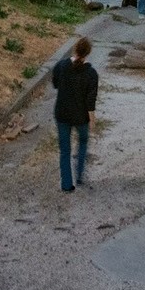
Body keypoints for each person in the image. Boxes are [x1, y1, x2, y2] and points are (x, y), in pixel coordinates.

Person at [52, 36, 99, 192]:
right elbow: (90, 101)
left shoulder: (61, 66)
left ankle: (66, 184)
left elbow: (55, 84)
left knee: (65, 151)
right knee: (83, 142)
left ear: (74, 49)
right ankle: (79, 175)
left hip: (63, 114)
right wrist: (92, 120)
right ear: (88, 53)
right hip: (81, 117)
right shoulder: (92, 74)